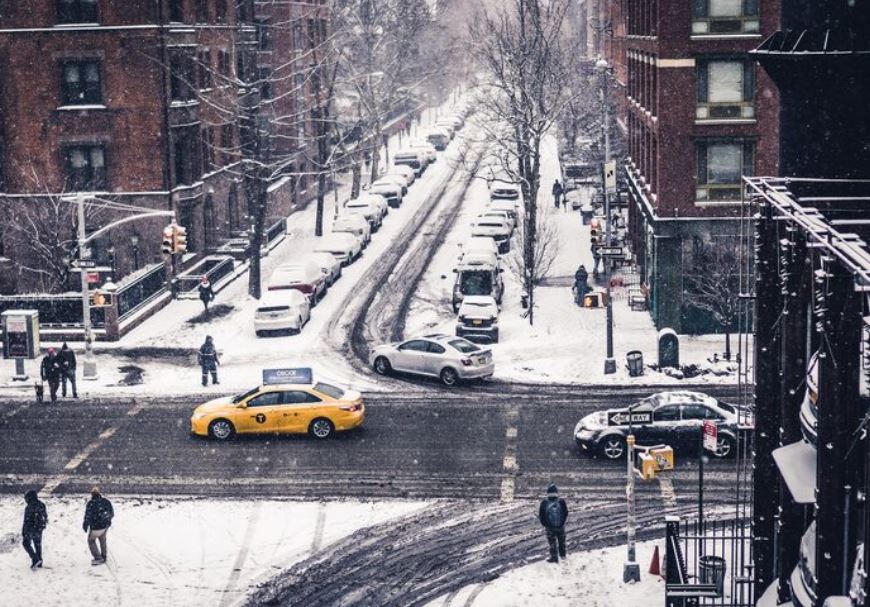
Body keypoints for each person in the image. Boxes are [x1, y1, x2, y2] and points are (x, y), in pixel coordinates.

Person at [83, 487, 113, 565]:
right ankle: (104, 556)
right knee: (102, 539)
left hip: (96, 527)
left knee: (91, 540)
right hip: (105, 526)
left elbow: (88, 516)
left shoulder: (91, 503)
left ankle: (98, 558)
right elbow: (111, 513)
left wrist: (85, 525)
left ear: (92, 494)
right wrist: (107, 520)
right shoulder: (106, 501)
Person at [538, 483, 568, 563]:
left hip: (550, 527)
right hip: (560, 526)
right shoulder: (561, 501)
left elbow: (541, 515)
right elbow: (565, 512)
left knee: (552, 542)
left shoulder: (544, 502)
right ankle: (563, 555)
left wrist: (545, 524)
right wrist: (562, 522)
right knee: (561, 541)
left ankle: (554, 557)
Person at [22, 490, 47, 569]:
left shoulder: (29, 507)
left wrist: (24, 531)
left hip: (30, 528)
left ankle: (35, 559)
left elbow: (26, 521)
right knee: (38, 544)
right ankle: (39, 561)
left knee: (26, 543)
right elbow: (45, 516)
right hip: (39, 528)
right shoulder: (41, 504)